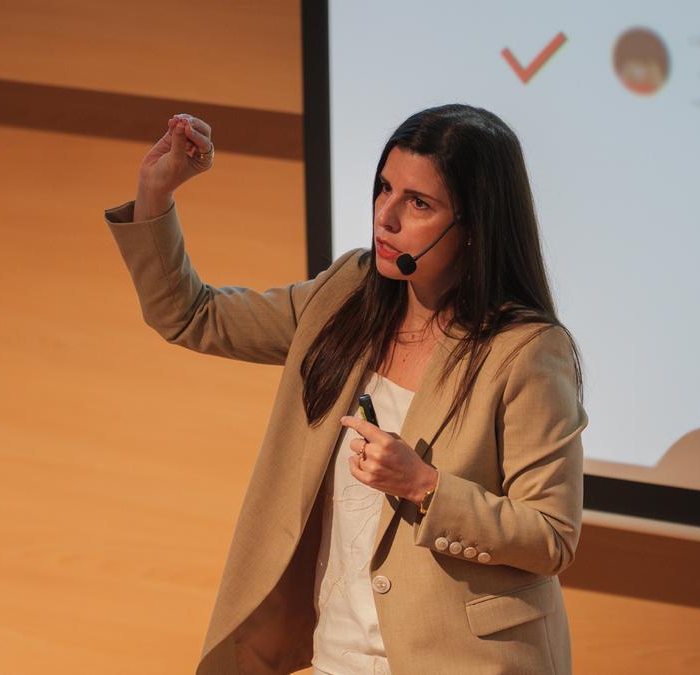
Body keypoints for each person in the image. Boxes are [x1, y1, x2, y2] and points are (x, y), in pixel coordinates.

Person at [105, 104, 587, 675]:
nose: (385, 217)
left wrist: (425, 485)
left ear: (475, 228)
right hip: (340, 654)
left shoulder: (526, 349)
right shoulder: (347, 293)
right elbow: (191, 315)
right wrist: (156, 195)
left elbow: (551, 536)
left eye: (418, 203)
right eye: (385, 188)